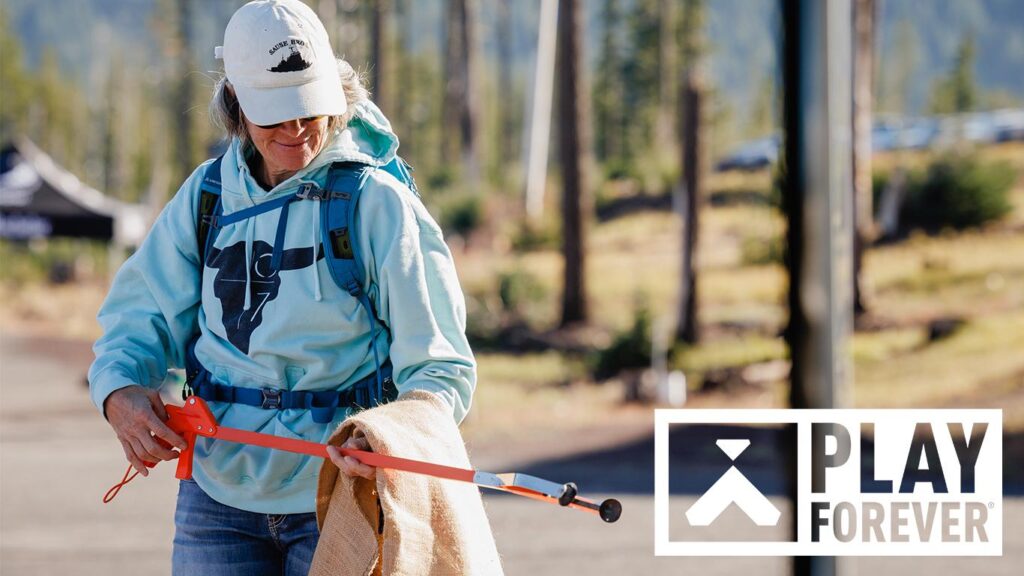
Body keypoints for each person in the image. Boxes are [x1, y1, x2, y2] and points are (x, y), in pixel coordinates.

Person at [87, 1, 475, 573]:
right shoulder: (207, 196)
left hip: (341, 494)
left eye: (308, 110)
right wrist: (118, 390)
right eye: (274, 115)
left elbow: (440, 367)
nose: (295, 132)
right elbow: (136, 318)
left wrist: (391, 437)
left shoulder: (377, 203)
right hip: (215, 495)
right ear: (236, 105)